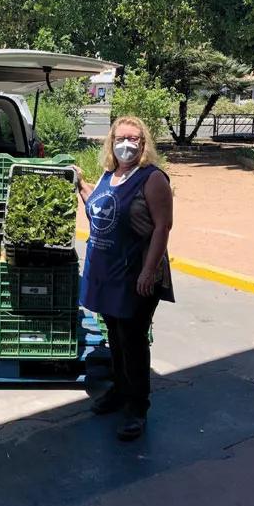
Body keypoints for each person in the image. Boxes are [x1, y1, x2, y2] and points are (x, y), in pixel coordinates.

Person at [76, 116, 174, 441]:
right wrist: (80, 186)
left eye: (134, 139)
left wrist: (149, 270)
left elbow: (163, 227)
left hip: (137, 275)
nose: (127, 144)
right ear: (111, 142)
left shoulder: (152, 179)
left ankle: (137, 407)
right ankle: (119, 391)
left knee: (132, 340)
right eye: (121, 138)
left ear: (144, 144)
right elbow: (99, 209)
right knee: (115, 338)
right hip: (108, 274)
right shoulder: (110, 175)